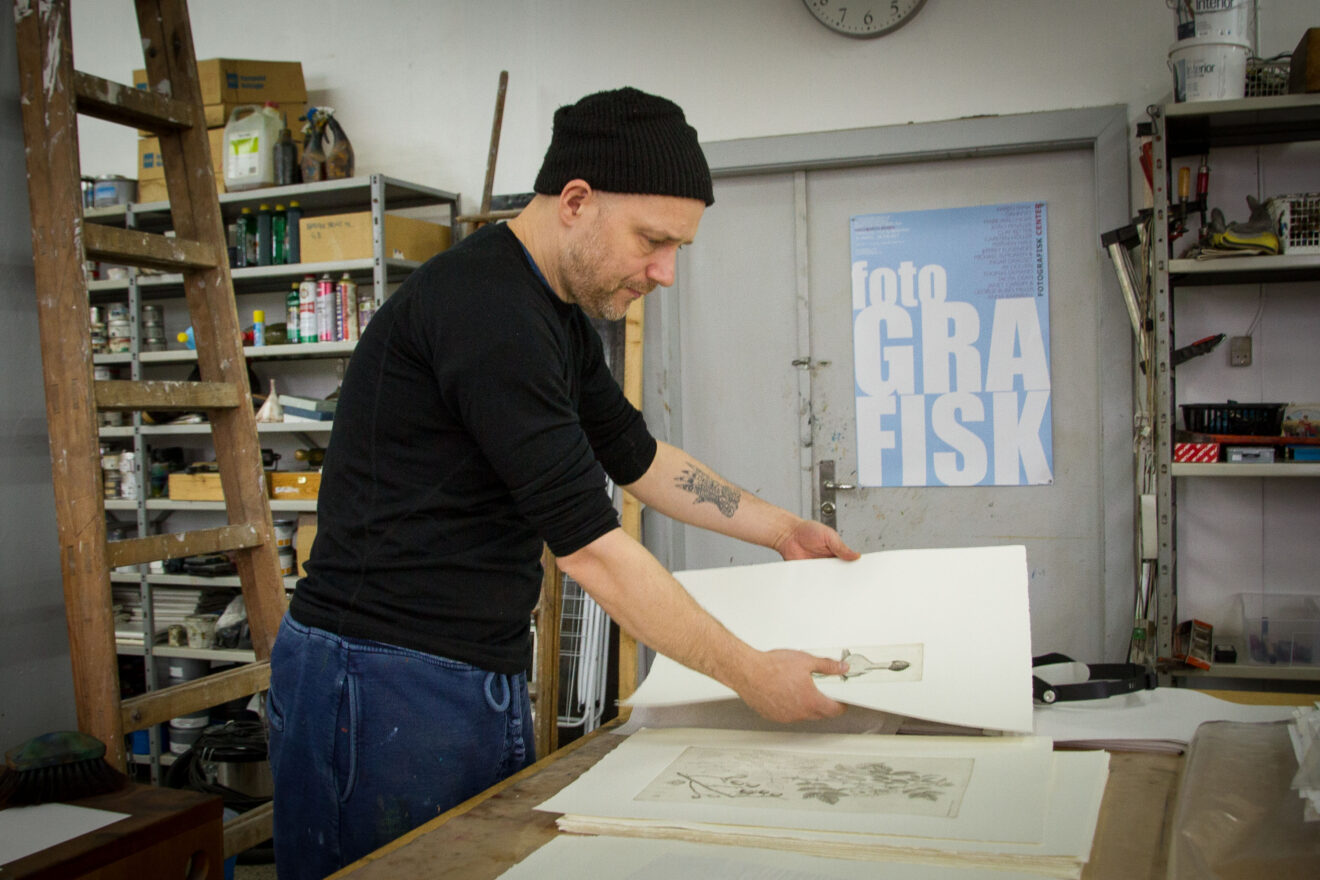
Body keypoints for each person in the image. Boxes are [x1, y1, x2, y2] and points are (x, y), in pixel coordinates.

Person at [265, 86, 859, 879]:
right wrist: (753, 677)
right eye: (653, 240)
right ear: (576, 201)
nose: (666, 271)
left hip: (466, 670)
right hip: (378, 680)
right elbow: (592, 552)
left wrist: (782, 530)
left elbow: (642, 461)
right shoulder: (487, 310)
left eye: (678, 247)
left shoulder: (556, 317)